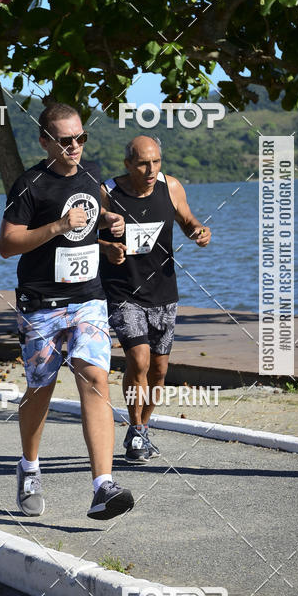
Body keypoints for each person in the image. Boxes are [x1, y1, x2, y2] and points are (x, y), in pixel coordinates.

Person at [0, 101, 135, 520]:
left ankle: (102, 486)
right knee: (41, 388)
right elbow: (7, 245)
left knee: (95, 378)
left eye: (80, 137)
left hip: (89, 299)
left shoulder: (93, 173)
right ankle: (29, 468)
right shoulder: (29, 185)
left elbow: (95, 215)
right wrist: (58, 226)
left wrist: (111, 227)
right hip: (41, 304)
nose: (75, 146)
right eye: (65, 140)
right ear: (45, 141)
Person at [99, 135, 211, 462]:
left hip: (164, 292)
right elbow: (82, 236)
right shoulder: (106, 193)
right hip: (123, 293)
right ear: (128, 164)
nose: (151, 170)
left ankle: (142, 430)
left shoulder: (171, 187)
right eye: (143, 163)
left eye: (156, 162)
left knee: (159, 371)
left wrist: (199, 233)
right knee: (139, 360)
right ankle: (135, 429)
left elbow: (188, 222)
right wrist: (106, 247)